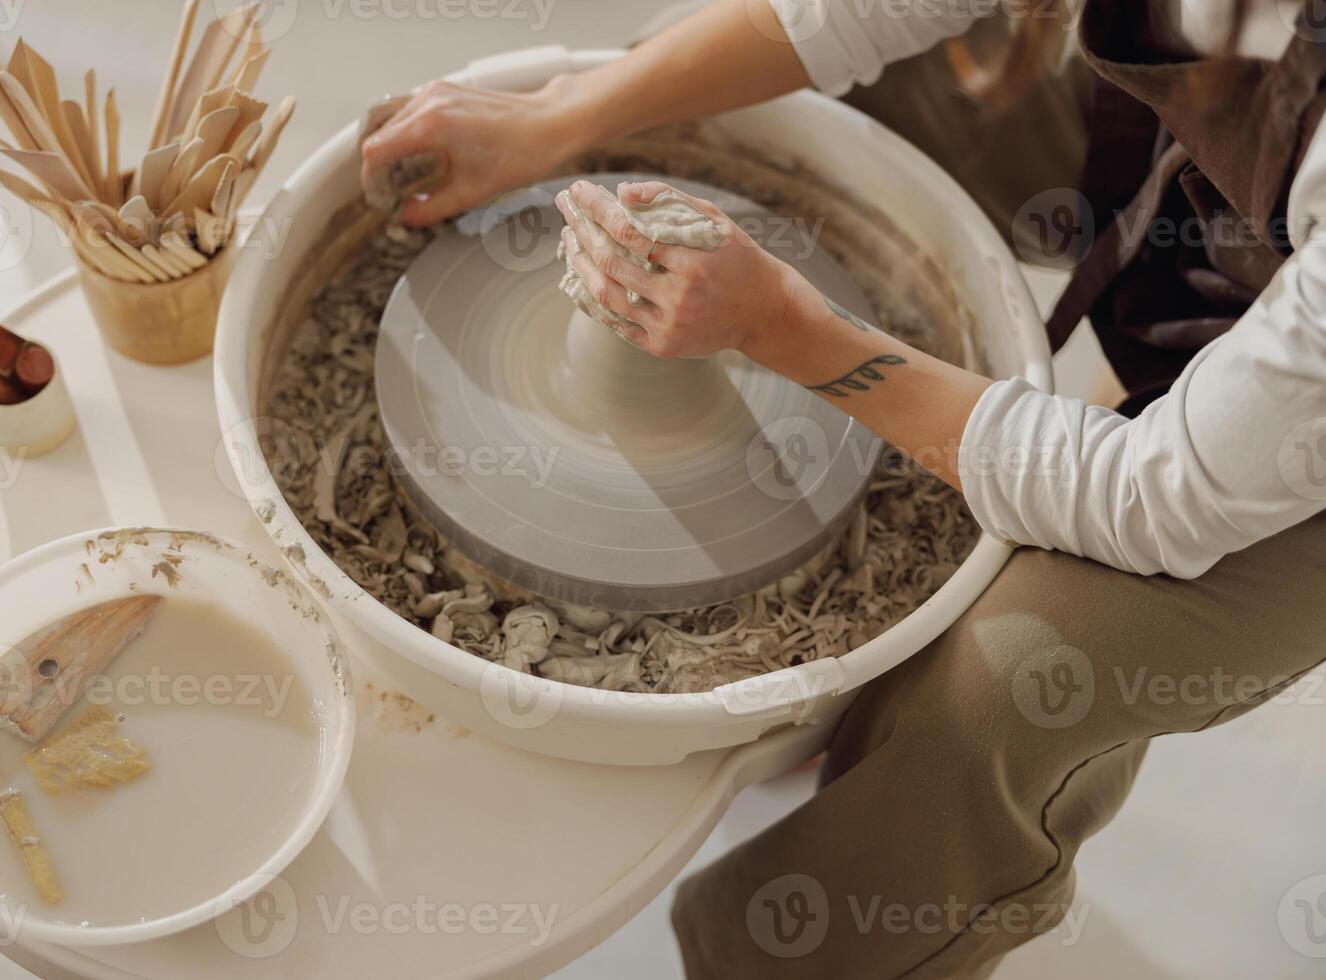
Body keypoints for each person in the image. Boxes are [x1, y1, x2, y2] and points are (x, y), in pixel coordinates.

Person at [361, 0, 1326, 975]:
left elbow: (1161, 494)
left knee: (1000, 689)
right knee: (856, 89)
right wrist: (562, 114)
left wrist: (782, 325)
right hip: (1240, 188)